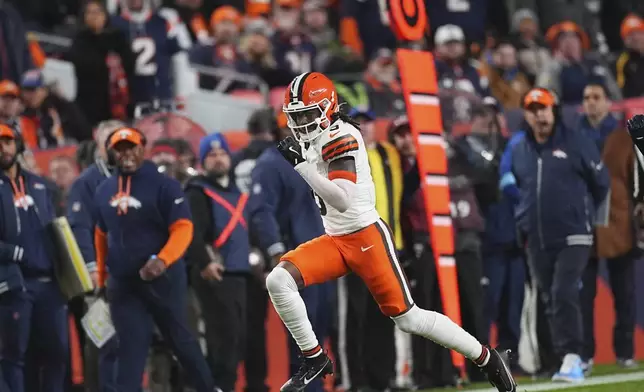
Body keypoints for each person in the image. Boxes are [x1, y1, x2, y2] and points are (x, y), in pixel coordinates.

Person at [265, 72, 517, 392]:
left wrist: (302, 166)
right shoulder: (313, 135)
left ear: (328, 108)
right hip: (335, 239)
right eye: (296, 116)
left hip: (366, 237)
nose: (301, 123)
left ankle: (487, 357)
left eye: (307, 114)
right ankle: (314, 357)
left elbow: (341, 200)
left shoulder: (341, 136)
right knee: (278, 279)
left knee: (408, 319)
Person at [93, 127, 217, 392]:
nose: (126, 153)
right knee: (129, 349)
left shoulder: (163, 184)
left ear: (142, 148)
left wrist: (163, 260)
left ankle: (208, 388)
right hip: (124, 285)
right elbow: (101, 236)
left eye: (131, 147)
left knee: (181, 341)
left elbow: (183, 228)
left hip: (163, 280)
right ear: (112, 153)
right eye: (120, 148)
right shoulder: (103, 190)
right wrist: (103, 279)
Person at [499, 87, 610, 383]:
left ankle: (573, 356)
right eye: (533, 109)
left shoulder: (576, 142)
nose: (539, 115)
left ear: (554, 110)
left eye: (544, 108)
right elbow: (518, 188)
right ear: (526, 114)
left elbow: (601, 184)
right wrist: (525, 219)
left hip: (574, 234)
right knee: (550, 298)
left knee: (563, 292)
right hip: (536, 237)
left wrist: (582, 215)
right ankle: (567, 357)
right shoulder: (521, 149)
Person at [249, 109, 333, 392]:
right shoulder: (270, 163)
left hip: (325, 256)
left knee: (320, 334)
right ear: (280, 129)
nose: (301, 127)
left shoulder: (316, 158)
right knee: (304, 340)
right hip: (297, 261)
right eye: (294, 123)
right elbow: (262, 212)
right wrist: (276, 254)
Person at [0, 124, 68, 392]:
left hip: (49, 283)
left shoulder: (42, 186)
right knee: (15, 356)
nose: (2, 147)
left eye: (7, 141)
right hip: (12, 284)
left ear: (18, 145)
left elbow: (61, 230)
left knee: (57, 353)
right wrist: (12, 253)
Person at [184, 133, 250, 392]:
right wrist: (204, 263)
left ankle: (226, 385)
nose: (218, 159)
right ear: (202, 162)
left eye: (222, 153)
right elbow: (192, 232)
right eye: (211, 155)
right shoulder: (197, 192)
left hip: (239, 273)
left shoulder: (238, 191)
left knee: (237, 337)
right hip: (214, 274)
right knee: (220, 337)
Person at [66, 119, 124, 392]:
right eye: (109, 140)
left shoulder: (137, 176)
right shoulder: (85, 183)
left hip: (134, 277)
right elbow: (80, 230)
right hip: (101, 277)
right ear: (99, 146)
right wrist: (91, 267)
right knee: (101, 342)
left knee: (135, 344)